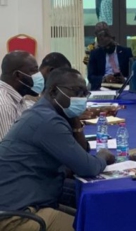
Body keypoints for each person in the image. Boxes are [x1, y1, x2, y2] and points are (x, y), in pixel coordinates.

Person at [0, 67, 115, 231]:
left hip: (25, 203)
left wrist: (75, 121)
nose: (82, 99)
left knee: (92, 215)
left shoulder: (45, 113)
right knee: (96, 224)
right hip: (15, 218)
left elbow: (79, 155)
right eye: (77, 92)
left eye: (85, 93)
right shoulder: (47, 121)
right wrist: (103, 156)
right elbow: (88, 167)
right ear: (54, 91)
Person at [0, 51, 43, 140]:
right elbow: (8, 147)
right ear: (18, 75)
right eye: (34, 71)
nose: (39, 76)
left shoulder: (19, 100)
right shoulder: (4, 104)